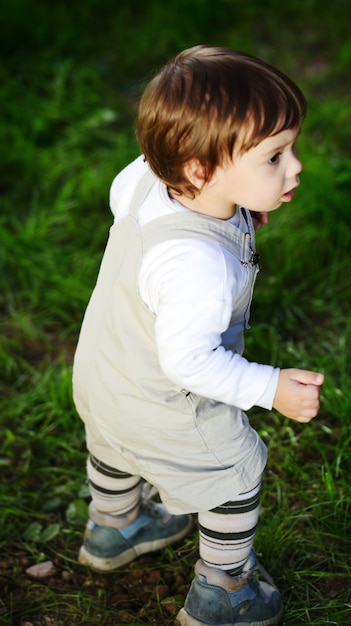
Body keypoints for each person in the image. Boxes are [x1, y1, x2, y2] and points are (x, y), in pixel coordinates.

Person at [72, 45, 324, 626]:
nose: (296, 167)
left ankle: (115, 528)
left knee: (113, 445)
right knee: (235, 471)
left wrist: (235, 201)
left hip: (104, 373)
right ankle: (223, 593)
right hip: (165, 399)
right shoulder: (200, 268)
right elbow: (190, 362)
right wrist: (271, 386)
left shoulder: (142, 178)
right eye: (275, 157)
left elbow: (148, 219)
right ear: (200, 169)